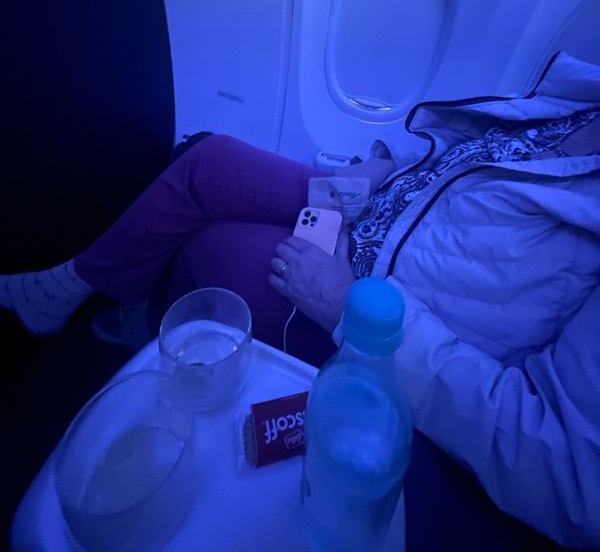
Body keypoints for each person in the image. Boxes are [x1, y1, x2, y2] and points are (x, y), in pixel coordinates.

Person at [2, 50, 599, 548]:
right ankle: (78, 288)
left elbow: (567, 470)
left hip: (378, 310)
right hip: (373, 205)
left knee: (213, 250)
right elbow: (458, 154)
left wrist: (350, 306)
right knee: (210, 161)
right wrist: (381, 166)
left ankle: (144, 323)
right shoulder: (582, 100)